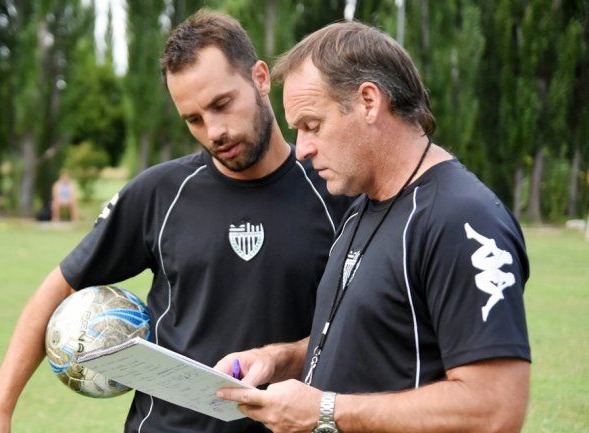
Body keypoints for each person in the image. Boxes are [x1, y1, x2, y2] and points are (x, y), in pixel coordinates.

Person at [0, 10, 353, 433]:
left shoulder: (337, 190)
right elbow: (59, 287)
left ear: (261, 78)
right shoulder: (160, 193)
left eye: (223, 104)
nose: (214, 131)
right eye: (194, 119)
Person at [215, 21, 531, 433]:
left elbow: (495, 407)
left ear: (368, 101)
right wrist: (280, 358)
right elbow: (374, 335)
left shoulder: (463, 219)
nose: (303, 148)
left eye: (312, 124)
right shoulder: (361, 207)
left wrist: (326, 410)